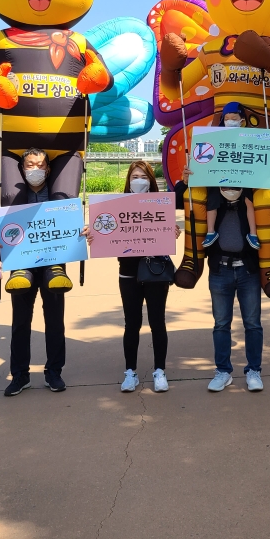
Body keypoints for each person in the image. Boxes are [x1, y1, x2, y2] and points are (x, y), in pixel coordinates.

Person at [87, 161, 181, 393]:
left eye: (143, 176)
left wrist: (172, 232)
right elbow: (104, 231)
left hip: (155, 271)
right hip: (128, 272)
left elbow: (167, 232)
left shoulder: (161, 206)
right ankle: (131, 372)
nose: (139, 180)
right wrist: (93, 236)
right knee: (132, 323)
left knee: (157, 322)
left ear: (150, 179)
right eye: (134, 176)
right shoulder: (115, 206)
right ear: (128, 180)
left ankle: (160, 371)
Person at [3, 147, 68, 396]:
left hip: (54, 265)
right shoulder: (12, 198)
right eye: (30, 165)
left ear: (49, 169)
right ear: (21, 169)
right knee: (20, 322)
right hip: (22, 266)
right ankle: (19, 375)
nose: (36, 170)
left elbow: (69, 229)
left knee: (54, 322)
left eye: (41, 165)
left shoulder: (60, 198)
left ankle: (54, 372)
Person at [204, 182, 265, 393]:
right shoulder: (212, 193)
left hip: (248, 270)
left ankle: (254, 370)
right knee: (221, 323)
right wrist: (185, 181)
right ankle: (222, 371)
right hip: (220, 270)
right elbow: (176, 199)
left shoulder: (251, 192)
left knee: (253, 323)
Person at [202, 103, 259, 250]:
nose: (230, 121)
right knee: (212, 195)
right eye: (227, 118)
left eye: (234, 118)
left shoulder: (251, 138)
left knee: (249, 200)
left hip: (243, 177)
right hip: (220, 177)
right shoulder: (216, 136)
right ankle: (210, 231)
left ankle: (253, 233)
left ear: (242, 120)